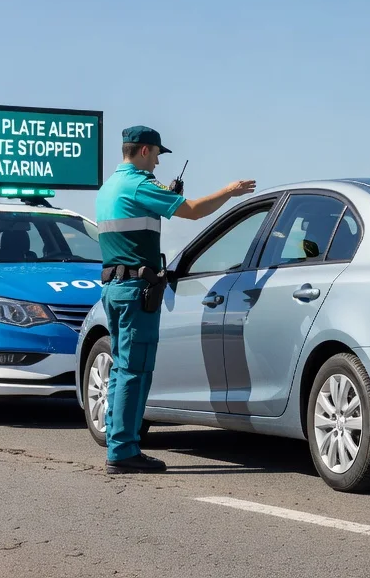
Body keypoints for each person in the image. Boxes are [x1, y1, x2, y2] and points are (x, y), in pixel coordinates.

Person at [95, 125, 256, 474]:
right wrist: (230, 191)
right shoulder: (140, 184)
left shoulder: (110, 187)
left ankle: (117, 443)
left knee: (122, 370)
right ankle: (123, 452)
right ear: (143, 151)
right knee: (135, 372)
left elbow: (135, 220)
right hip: (136, 291)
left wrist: (165, 195)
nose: (156, 163)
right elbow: (196, 210)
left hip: (114, 289)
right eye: (155, 155)